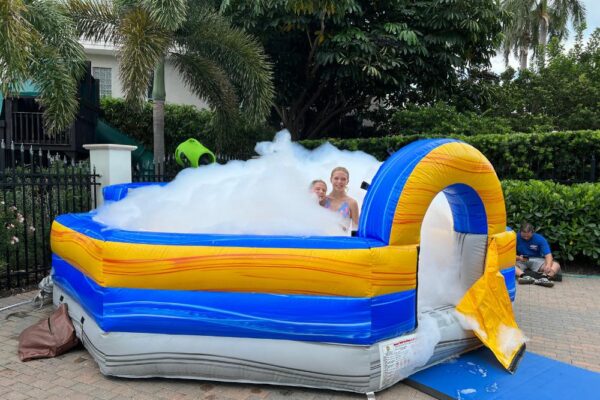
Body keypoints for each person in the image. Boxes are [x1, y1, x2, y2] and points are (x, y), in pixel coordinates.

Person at [515, 222, 561, 288]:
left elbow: (548, 255)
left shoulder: (540, 239)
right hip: (521, 259)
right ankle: (524, 277)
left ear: (532, 232)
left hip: (537, 260)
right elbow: (508, 254)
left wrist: (548, 265)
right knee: (507, 264)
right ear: (520, 232)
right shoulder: (515, 237)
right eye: (523, 236)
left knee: (556, 265)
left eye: (528, 236)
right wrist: (519, 258)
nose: (526, 238)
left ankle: (544, 278)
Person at [324, 167, 359, 231]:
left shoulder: (352, 203)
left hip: (342, 239)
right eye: (336, 178)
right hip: (323, 239)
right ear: (331, 179)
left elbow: (355, 230)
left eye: (343, 179)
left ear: (347, 181)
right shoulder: (323, 200)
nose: (339, 182)